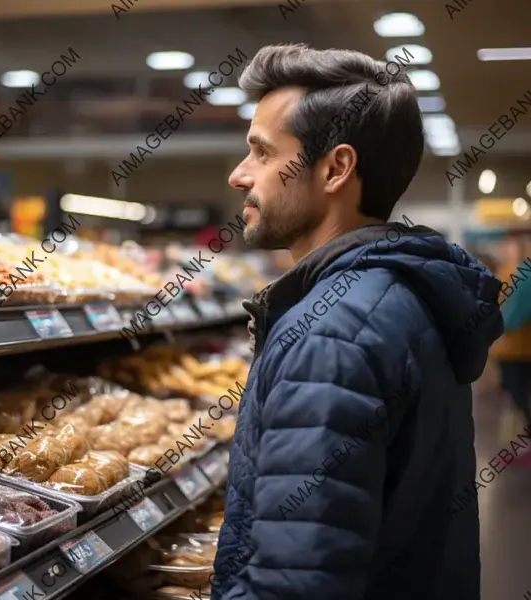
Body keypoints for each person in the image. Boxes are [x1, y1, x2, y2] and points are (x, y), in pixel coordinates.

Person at [211, 44, 503, 600]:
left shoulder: (331, 334)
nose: (238, 175)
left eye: (262, 153)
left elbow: (297, 583)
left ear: (336, 168)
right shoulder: (402, 296)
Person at [492, 236, 531, 434]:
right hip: (511, 349)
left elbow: (513, 314)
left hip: (517, 349)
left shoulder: (523, 275)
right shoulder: (509, 273)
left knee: (519, 394)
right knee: (517, 395)